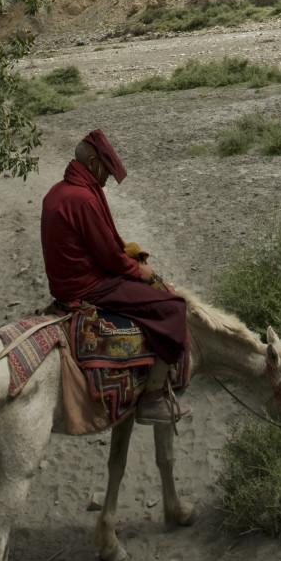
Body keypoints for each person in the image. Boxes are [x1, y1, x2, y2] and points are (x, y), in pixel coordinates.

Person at [40, 129, 189, 423]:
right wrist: (139, 269)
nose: (107, 179)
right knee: (173, 309)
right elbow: (109, 257)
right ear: (93, 163)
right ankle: (153, 398)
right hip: (89, 286)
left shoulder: (57, 191)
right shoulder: (82, 198)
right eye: (106, 171)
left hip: (65, 282)